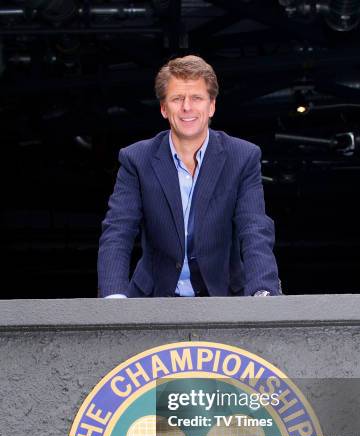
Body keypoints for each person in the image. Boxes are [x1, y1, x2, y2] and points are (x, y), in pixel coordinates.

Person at [98, 55, 280, 298]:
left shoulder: (243, 156)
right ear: (164, 108)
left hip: (223, 296)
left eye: (196, 98)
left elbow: (254, 228)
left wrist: (263, 291)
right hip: (153, 298)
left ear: (211, 105)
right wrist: (113, 299)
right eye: (177, 99)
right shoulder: (136, 159)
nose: (187, 107)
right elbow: (118, 231)